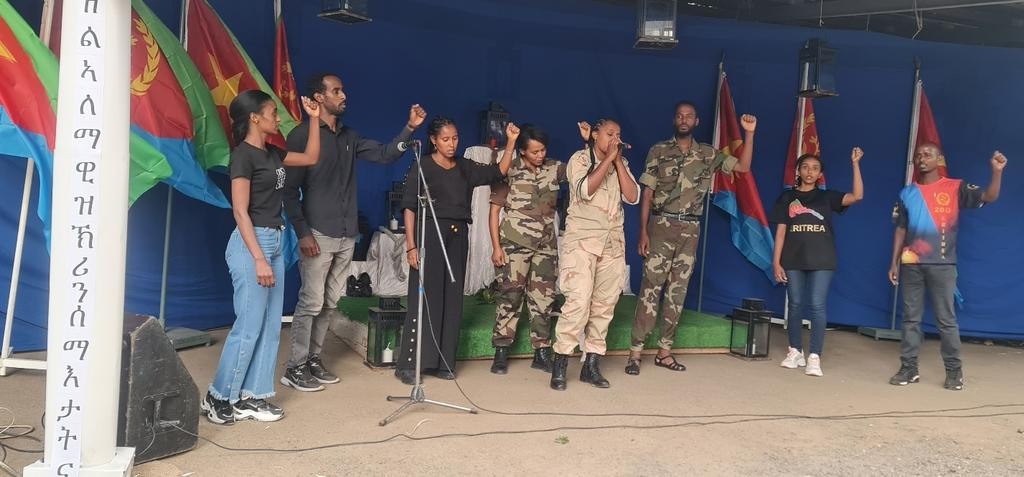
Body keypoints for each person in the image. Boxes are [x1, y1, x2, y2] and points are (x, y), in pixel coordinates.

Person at [280, 73, 427, 392]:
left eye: (343, 90)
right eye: (336, 91)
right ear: (319, 98)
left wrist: (409, 128)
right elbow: (289, 191)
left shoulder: (349, 136)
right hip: (317, 232)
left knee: (331, 302)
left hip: (347, 233)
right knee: (311, 301)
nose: (343, 95)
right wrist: (303, 232)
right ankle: (295, 367)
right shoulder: (301, 135)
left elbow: (386, 154)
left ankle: (313, 360)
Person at [201, 90, 321, 425]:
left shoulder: (271, 153)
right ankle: (218, 396)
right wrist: (258, 258)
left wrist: (313, 119)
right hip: (251, 243)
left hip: (274, 240)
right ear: (255, 117)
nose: (278, 118)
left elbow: (311, 157)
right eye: (272, 112)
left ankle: (251, 396)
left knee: (270, 325)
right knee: (249, 326)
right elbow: (240, 211)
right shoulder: (243, 155)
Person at [625, 102, 756, 376]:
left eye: (689, 116)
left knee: (678, 291)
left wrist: (749, 133)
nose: (684, 120)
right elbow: (647, 193)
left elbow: (743, 167)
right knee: (650, 289)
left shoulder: (708, 153)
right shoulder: (659, 150)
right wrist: (643, 231)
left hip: (690, 229)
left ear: (697, 121)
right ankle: (635, 352)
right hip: (661, 225)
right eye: (679, 116)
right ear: (674, 120)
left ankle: (664, 352)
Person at [394, 118, 517, 384]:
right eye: (446, 139)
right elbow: (409, 208)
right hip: (429, 234)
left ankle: (443, 362)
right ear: (434, 140)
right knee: (425, 298)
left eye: (455, 138)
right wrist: (411, 246)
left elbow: (498, 171)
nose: (452, 144)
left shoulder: (465, 166)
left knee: (452, 298)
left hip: (458, 236)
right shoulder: (422, 165)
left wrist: (510, 143)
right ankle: (412, 363)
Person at [888, 144, 1007, 390]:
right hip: (911, 263)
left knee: (946, 320)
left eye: (927, 155)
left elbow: (989, 196)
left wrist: (997, 172)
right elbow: (900, 229)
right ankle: (909, 368)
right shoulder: (907, 193)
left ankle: (954, 371)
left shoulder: (955, 187)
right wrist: (894, 262)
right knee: (910, 319)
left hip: (942, 264)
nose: (922, 159)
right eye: (918, 156)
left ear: (938, 159)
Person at [550, 119, 639, 391]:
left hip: (612, 245)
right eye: (610, 134)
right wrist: (608, 158)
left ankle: (591, 365)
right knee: (577, 302)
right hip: (581, 243)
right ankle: (560, 362)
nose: (615, 139)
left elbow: (633, 196)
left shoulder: (620, 163)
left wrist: (618, 161)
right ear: (595, 135)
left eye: (618, 135)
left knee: (604, 306)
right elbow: (584, 190)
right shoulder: (579, 159)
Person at [771, 148, 864, 377]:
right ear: (798, 171)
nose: (809, 172)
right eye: (805, 167)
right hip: (793, 258)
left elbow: (857, 196)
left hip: (823, 259)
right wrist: (776, 262)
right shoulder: (786, 197)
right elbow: (781, 233)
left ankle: (814, 356)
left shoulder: (827, 197)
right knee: (794, 304)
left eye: (814, 168)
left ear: (820, 174)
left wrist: (855, 164)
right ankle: (795, 351)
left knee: (817, 305)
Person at [488, 124, 567, 375]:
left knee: (544, 299)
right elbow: (494, 211)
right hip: (514, 244)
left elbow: (584, 173)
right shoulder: (509, 169)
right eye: (534, 151)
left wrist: (589, 142)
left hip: (545, 246)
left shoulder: (555, 168)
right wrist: (496, 247)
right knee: (510, 296)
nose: (540, 155)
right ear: (523, 151)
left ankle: (542, 351)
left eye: (543, 150)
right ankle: (501, 350)